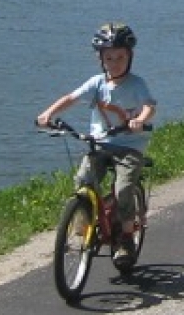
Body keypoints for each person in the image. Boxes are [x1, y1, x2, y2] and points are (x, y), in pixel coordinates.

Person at [35, 22, 158, 254]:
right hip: (101, 144)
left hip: (129, 146)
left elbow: (149, 106)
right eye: (109, 58)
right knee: (84, 179)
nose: (114, 63)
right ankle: (82, 227)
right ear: (100, 59)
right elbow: (71, 98)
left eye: (120, 57)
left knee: (123, 189)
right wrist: (49, 114)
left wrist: (140, 120)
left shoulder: (136, 84)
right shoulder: (97, 83)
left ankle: (126, 237)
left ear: (130, 57)